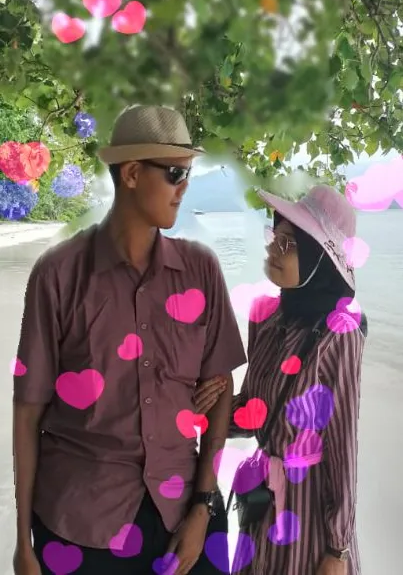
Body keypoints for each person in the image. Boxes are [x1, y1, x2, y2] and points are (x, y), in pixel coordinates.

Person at [12, 104, 246, 575]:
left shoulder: (201, 270)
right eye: (176, 174)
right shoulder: (57, 276)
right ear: (133, 174)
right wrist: (23, 544)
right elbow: (28, 411)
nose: (184, 189)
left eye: (188, 175)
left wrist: (204, 505)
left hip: (184, 512)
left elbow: (220, 391)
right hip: (80, 521)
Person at [195, 184, 367, 575]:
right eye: (276, 237)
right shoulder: (266, 318)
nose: (274, 249)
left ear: (319, 259)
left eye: (289, 244)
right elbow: (254, 410)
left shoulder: (338, 334)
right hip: (261, 506)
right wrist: (202, 401)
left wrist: (337, 550)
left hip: (310, 515)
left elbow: (343, 447)